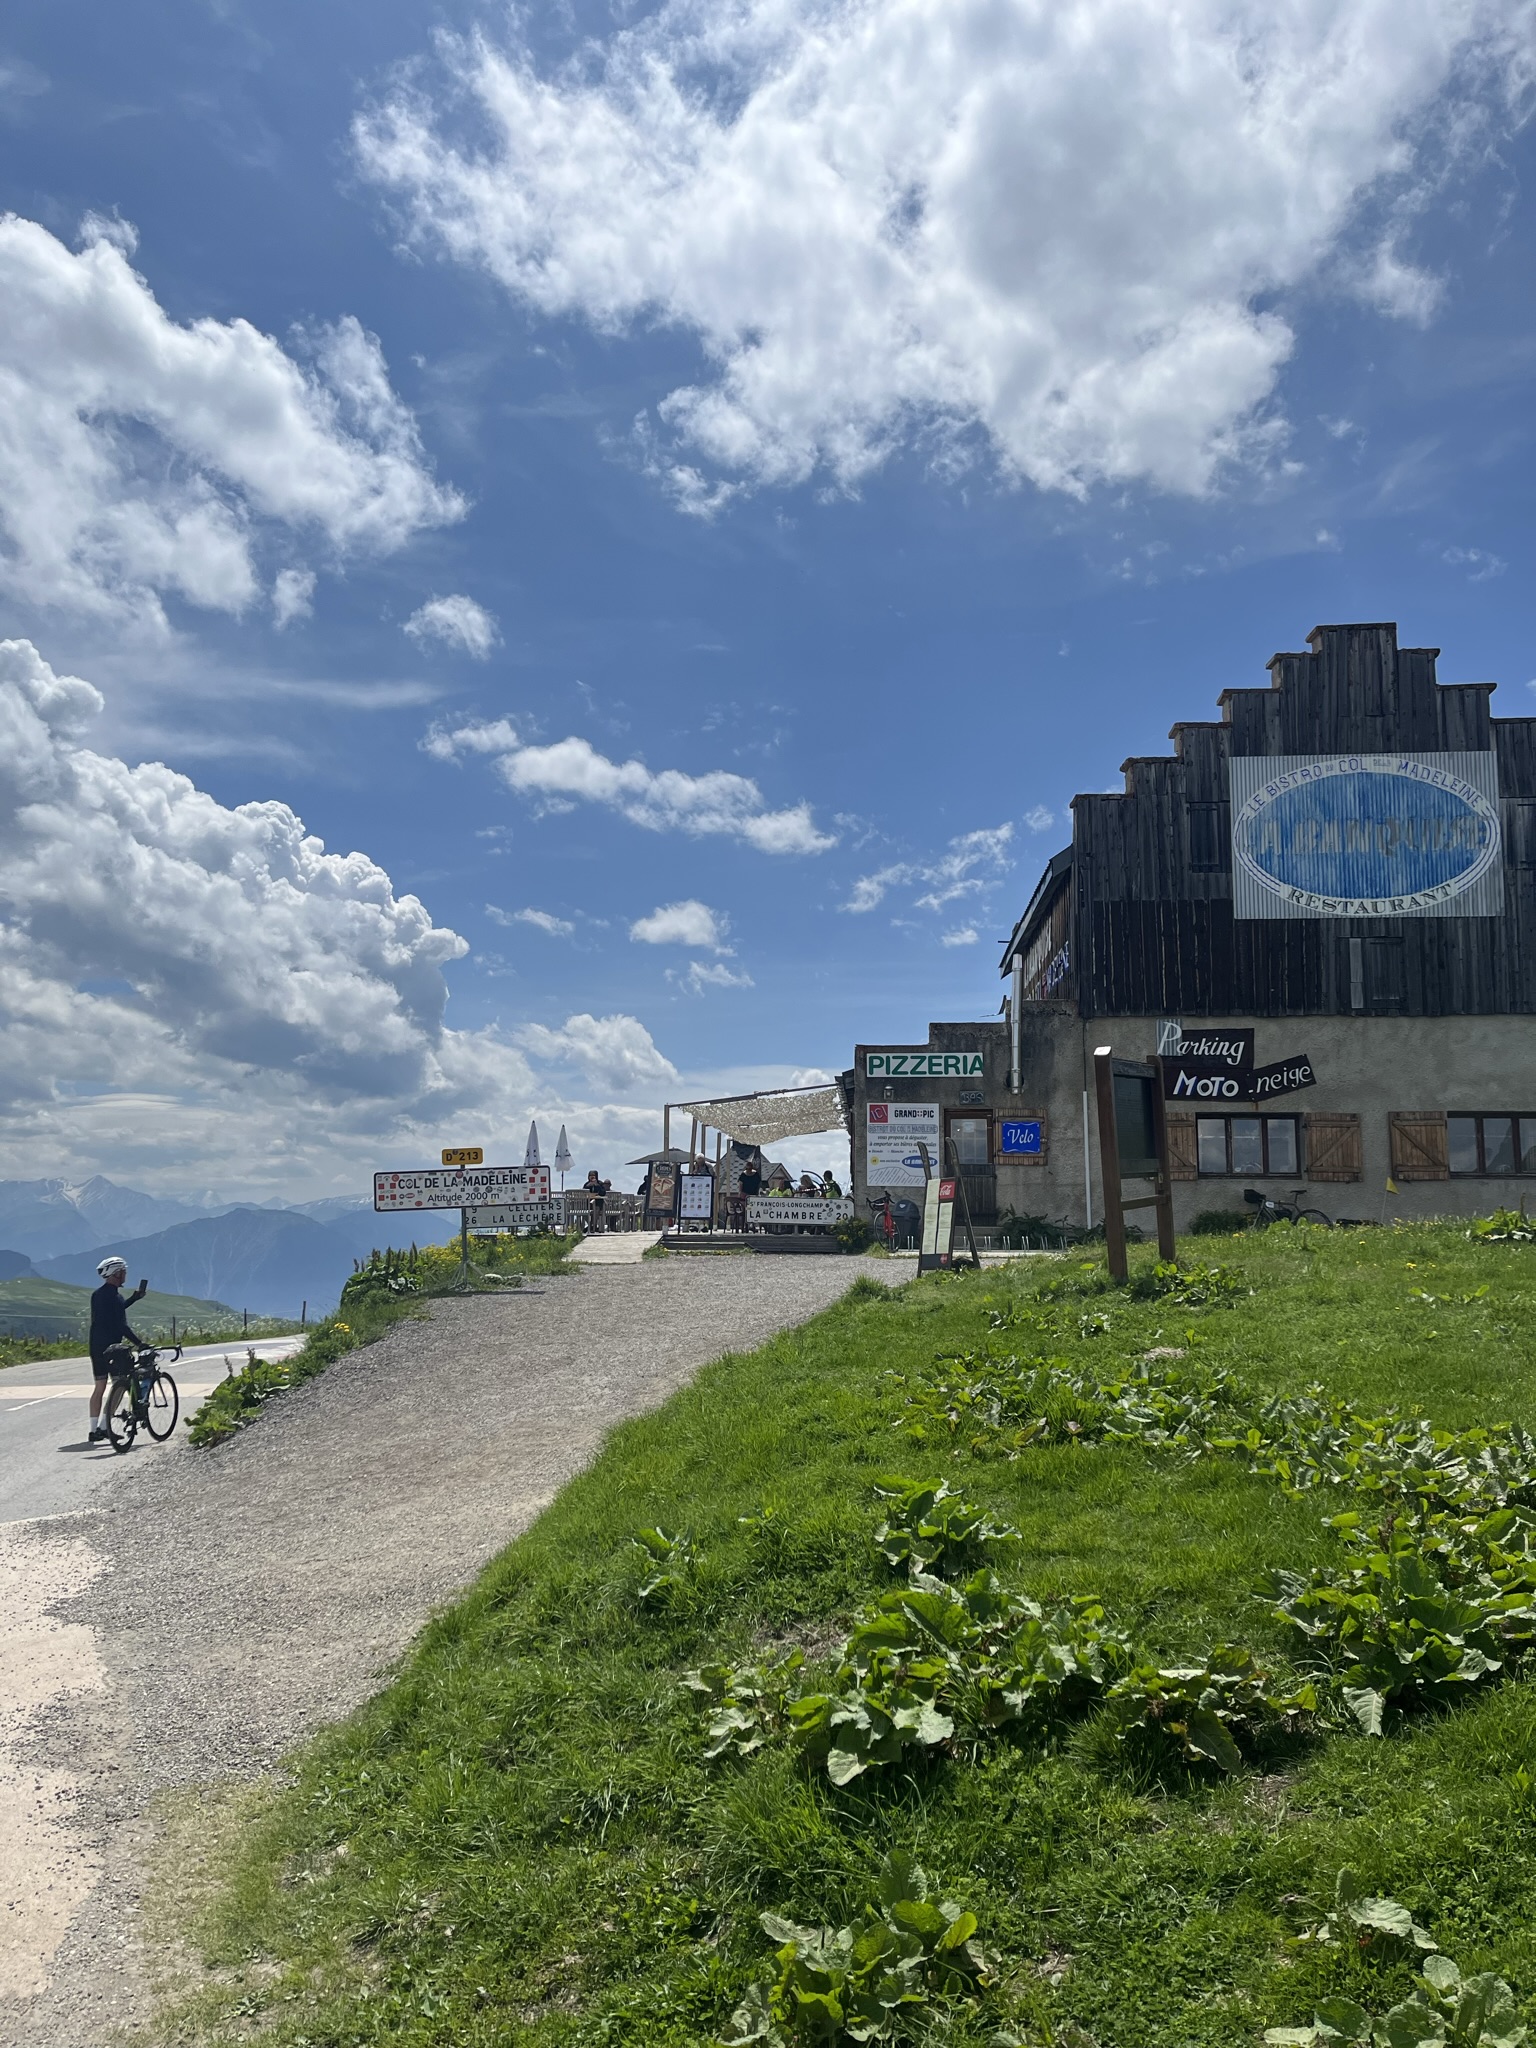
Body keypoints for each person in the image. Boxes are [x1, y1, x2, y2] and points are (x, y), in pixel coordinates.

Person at [88, 1257, 147, 1443]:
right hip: (113, 1348)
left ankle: (93, 1429)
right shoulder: (116, 1296)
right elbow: (121, 1324)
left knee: (99, 1387)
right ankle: (104, 1427)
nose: (125, 1275)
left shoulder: (98, 1294)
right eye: (124, 1272)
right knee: (119, 1386)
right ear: (117, 1273)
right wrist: (139, 1343)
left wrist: (134, 1299)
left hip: (96, 1346)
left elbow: (114, 1311)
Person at [582, 1168, 611, 1234]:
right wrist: (589, 1186)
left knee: (596, 1209)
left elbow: (603, 1193)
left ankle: (592, 1226)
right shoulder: (586, 1184)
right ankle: (592, 1226)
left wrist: (597, 1186)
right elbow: (584, 1193)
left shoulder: (600, 1183)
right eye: (590, 1176)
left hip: (598, 1203)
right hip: (588, 1203)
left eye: (593, 1176)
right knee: (583, 1211)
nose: (592, 1177)